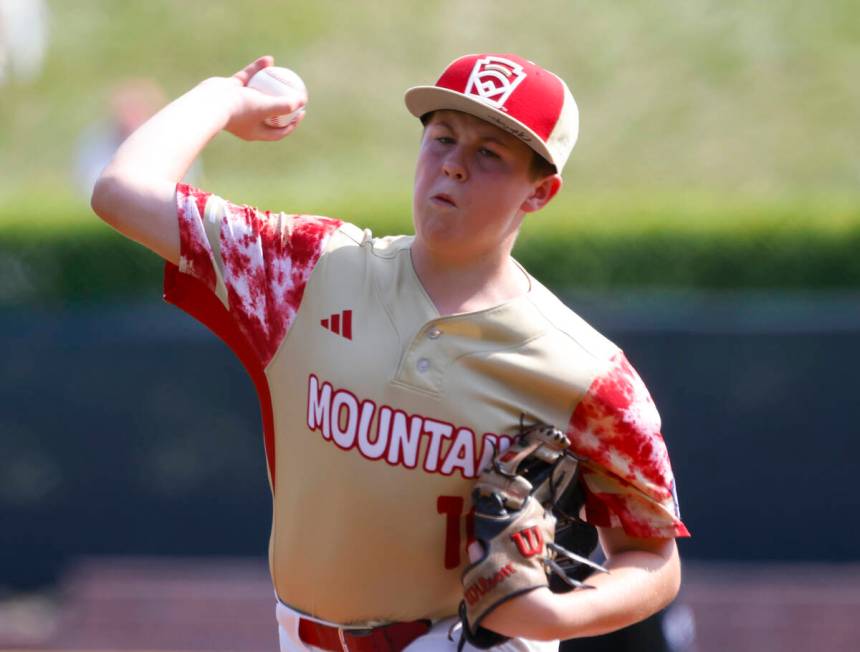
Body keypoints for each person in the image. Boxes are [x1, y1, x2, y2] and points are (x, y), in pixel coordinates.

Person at [91, 53, 690, 651]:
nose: (453, 166)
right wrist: (222, 98)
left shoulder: (588, 372)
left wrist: (558, 618)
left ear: (541, 192)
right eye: (443, 137)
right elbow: (122, 192)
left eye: (489, 154)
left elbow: (653, 557)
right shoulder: (309, 270)